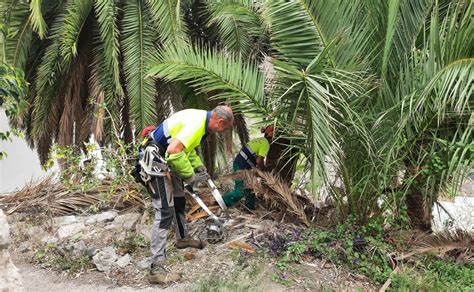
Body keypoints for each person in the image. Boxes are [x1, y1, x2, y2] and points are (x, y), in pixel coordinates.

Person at [139, 106, 234, 284]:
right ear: (220, 122)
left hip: (165, 160)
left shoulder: (200, 121)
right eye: (225, 128)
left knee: (179, 200)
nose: (223, 132)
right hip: (155, 163)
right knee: (165, 212)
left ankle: (182, 239)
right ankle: (156, 269)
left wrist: (197, 165)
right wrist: (190, 175)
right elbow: (175, 150)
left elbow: (186, 148)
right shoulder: (196, 124)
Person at [222, 125, 274, 210]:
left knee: (250, 187)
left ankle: (250, 207)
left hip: (239, 163)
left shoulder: (258, 140)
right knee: (241, 190)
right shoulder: (266, 144)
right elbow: (259, 161)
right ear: (272, 137)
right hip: (241, 166)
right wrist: (264, 170)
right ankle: (222, 201)